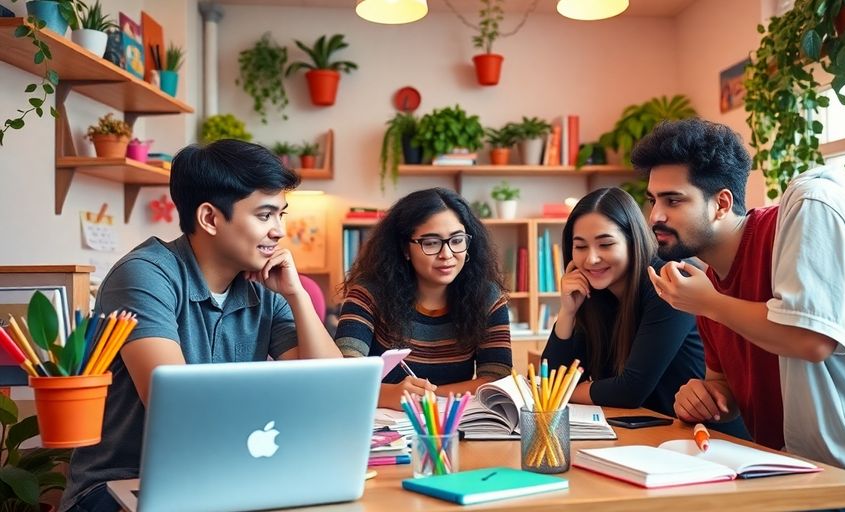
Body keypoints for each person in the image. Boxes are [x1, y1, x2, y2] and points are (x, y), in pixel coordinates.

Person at [637, 118, 845, 511]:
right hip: (806, 481)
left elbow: (812, 339)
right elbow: (725, 390)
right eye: (653, 200)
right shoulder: (708, 286)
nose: (655, 217)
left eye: (673, 200)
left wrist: (709, 302)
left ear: (721, 203)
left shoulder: (807, 211)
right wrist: (705, 397)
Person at [60, 140, 342, 512]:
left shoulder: (265, 289)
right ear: (210, 218)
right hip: (123, 484)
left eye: (280, 215)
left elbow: (333, 391)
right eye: (264, 215)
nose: (278, 231)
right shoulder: (144, 276)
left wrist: (298, 296)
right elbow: (177, 409)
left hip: (226, 476)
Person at [334, 188, 512, 409]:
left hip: (453, 423)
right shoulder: (369, 294)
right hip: (384, 427)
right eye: (430, 243)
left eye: (457, 240)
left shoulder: (487, 298)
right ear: (405, 249)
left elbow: (497, 379)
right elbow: (345, 376)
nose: (446, 254)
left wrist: (427, 396)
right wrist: (389, 395)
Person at [540, 187, 707, 418]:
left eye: (605, 244)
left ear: (632, 241)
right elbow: (548, 381)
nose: (591, 259)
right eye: (580, 247)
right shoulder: (594, 295)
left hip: (701, 438)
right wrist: (568, 312)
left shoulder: (669, 280)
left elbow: (630, 390)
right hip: (640, 434)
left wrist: (566, 393)